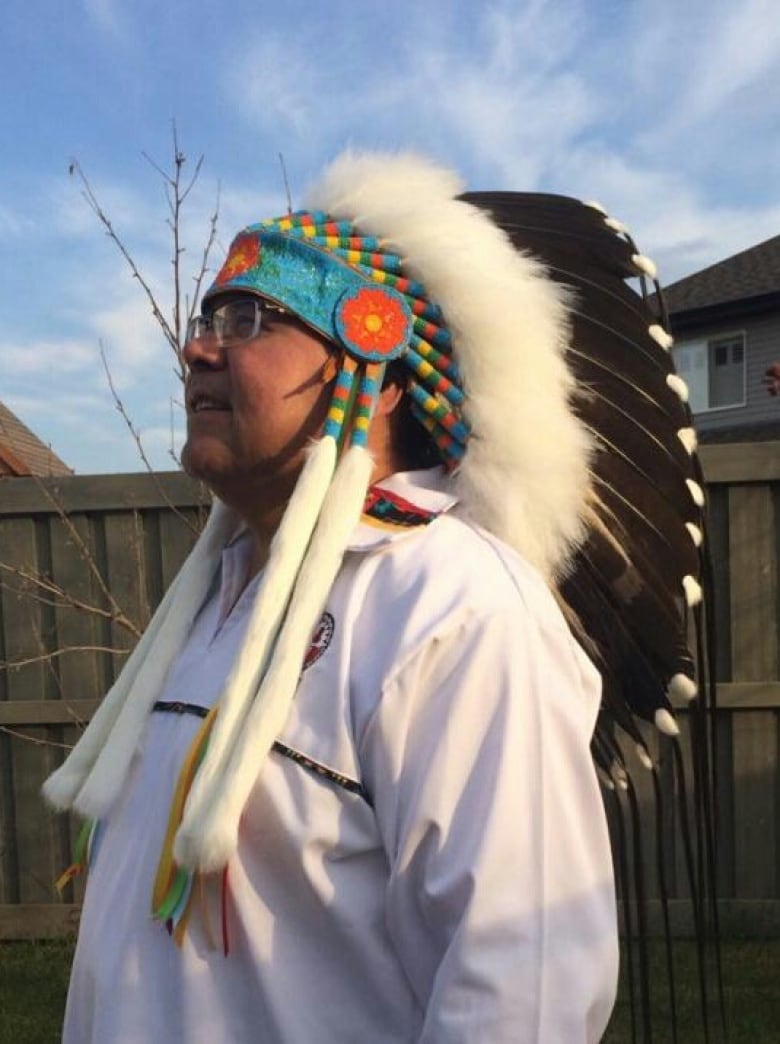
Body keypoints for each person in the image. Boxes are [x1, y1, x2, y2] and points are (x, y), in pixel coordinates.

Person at [45, 150, 709, 1042]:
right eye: (208, 316)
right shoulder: (219, 594)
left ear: (381, 376)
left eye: (251, 318)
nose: (199, 346)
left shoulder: (455, 607)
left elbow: (524, 989)